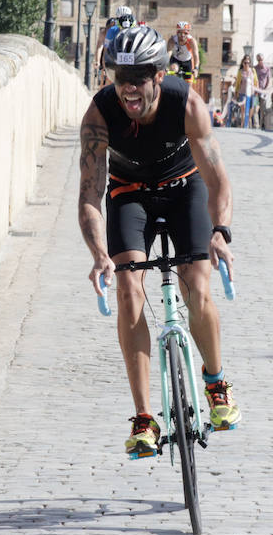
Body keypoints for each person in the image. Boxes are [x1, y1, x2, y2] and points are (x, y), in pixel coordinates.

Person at [78, 26, 241, 456]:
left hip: (185, 185)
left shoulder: (185, 103)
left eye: (140, 76)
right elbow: (90, 195)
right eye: (120, 76)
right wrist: (99, 256)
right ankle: (145, 417)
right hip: (129, 193)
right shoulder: (99, 115)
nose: (129, 87)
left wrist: (220, 232)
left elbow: (218, 178)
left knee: (197, 285)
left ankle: (216, 383)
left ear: (159, 75)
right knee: (130, 288)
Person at [234, 54, 256, 127]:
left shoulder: (253, 70)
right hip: (242, 93)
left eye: (248, 63)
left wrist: (257, 91)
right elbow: (237, 83)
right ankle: (242, 124)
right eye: (245, 63)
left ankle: (249, 121)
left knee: (251, 108)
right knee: (243, 109)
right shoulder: (240, 71)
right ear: (242, 63)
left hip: (252, 93)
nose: (247, 64)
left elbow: (256, 81)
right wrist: (236, 93)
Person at [254, 53, 271, 129]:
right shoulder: (254, 68)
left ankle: (262, 124)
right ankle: (256, 125)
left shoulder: (267, 69)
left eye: (261, 59)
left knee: (263, 109)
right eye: (258, 59)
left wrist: (265, 90)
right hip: (256, 92)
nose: (260, 61)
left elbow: (268, 80)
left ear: (263, 59)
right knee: (255, 109)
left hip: (264, 92)